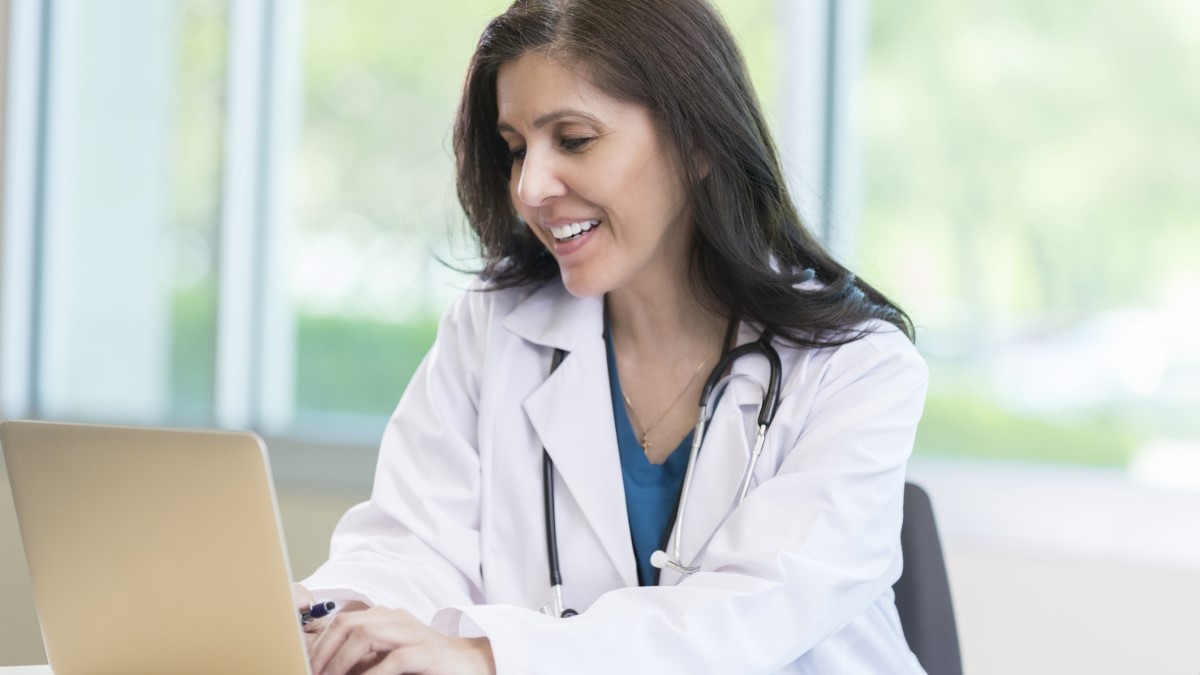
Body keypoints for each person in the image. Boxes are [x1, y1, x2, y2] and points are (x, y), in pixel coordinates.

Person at [296, 0, 929, 673]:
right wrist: (337, 613)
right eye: (515, 149)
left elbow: (748, 617)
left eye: (573, 139)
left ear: (698, 142)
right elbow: (412, 542)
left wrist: (489, 658)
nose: (530, 187)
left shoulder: (858, 368)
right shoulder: (491, 327)